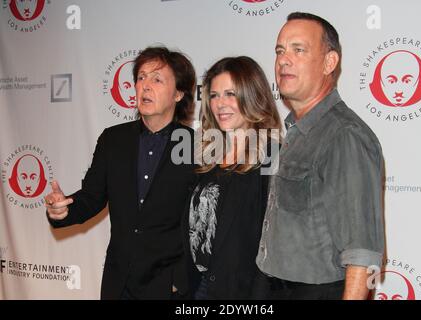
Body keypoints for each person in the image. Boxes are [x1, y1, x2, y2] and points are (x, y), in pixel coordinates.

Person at [44, 46, 197, 300]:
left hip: (168, 286)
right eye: (140, 77)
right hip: (119, 283)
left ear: (179, 94)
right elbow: (92, 197)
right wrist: (62, 210)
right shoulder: (113, 140)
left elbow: (199, 225)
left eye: (157, 79)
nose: (145, 86)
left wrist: (180, 278)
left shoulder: (196, 147)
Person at [255, 12, 385, 300]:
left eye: (298, 50)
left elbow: (362, 254)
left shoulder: (344, 135)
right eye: (280, 51)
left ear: (330, 62)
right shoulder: (297, 130)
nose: (283, 60)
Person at [183, 56, 282, 299]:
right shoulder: (205, 155)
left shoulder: (272, 154)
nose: (220, 104)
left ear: (252, 95)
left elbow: (273, 241)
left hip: (244, 293)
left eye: (230, 93)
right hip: (199, 287)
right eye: (214, 95)